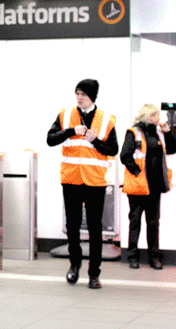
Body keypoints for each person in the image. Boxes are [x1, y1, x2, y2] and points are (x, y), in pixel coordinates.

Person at [47, 79, 118, 289]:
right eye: (77, 93)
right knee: (73, 225)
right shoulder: (65, 115)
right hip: (71, 179)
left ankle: (94, 274)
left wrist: (95, 140)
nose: (79, 97)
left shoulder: (106, 119)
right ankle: (74, 265)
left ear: (92, 97)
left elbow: (113, 150)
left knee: (95, 228)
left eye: (84, 94)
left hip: (95, 180)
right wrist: (71, 131)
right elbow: (50, 139)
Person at [120, 104, 176, 270]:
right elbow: (125, 155)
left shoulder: (159, 133)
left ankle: (154, 257)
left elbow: (172, 149)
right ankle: (132, 257)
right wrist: (137, 172)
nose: (158, 119)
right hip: (138, 186)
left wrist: (168, 131)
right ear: (148, 116)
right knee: (135, 221)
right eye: (155, 115)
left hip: (155, 186)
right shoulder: (134, 132)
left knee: (153, 223)